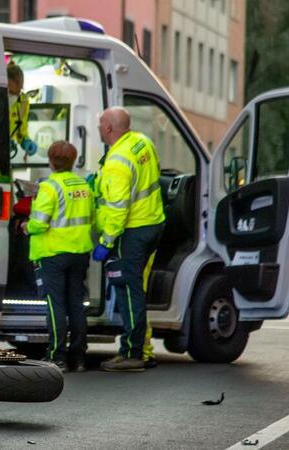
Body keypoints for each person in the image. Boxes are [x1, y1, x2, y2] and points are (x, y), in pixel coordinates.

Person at [92, 107, 165, 372]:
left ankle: (132, 354)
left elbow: (118, 208)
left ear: (109, 128)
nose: (99, 127)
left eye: (101, 123)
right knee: (136, 288)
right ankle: (143, 350)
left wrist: (106, 242)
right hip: (153, 222)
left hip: (132, 230)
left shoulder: (117, 160)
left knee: (128, 290)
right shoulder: (142, 142)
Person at [24, 141, 93, 372]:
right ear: (73, 161)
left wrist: (26, 226)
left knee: (56, 305)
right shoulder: (84, 186)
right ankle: (79, 357)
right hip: (80, 252)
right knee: (76, 304)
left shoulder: (49, 187)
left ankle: (57, 356)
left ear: (51, 162)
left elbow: (39, 223)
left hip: (53, 253)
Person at [7, 62, 38, 157]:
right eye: (9, 91)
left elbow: (21, 129)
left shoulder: (22, 103)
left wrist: (26, 141)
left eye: (15, 93)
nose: (12, 96)